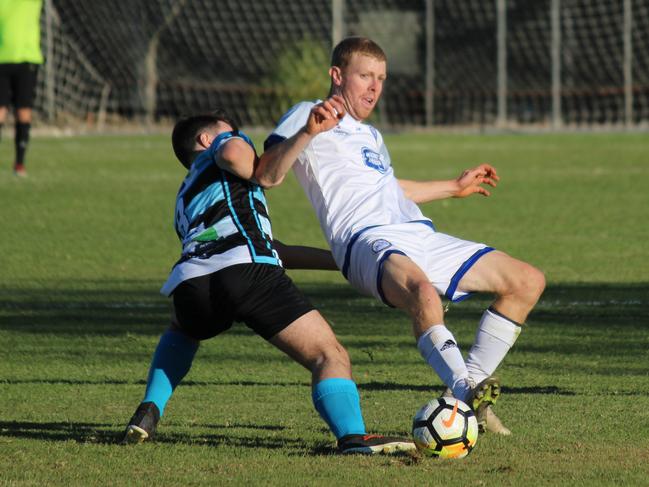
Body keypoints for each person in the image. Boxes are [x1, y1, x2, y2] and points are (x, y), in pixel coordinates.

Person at [258, 37, 546, 435]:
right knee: (423, 294)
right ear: (337, 76)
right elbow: (266, 176)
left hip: (417, 233)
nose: (374, 88)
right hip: (365, 242)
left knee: (526, 281)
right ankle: (467, 390)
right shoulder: (307, 115)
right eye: (365, 76)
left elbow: (390, 191)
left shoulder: (372, 135)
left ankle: (465, 392)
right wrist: (307, 133)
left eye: (381, 78)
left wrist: (452, 187)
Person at [122, 110, 415, 455]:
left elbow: (275, 250)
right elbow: (239, 158)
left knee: (183, 330)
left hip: (191, 283)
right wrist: (296, 138)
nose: (239, 137)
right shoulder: (227, 146)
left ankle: (149, 408)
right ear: (206, 140)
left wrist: (346, 263)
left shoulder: (189, 195)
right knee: (328, 355)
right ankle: (353, 437)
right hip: (247, 273)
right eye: (229, 131)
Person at [0, 0, 43, 177]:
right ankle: (19, 165)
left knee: (23, 111)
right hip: (3, 58)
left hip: (27, 58)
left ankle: (19, 163)